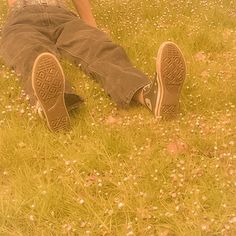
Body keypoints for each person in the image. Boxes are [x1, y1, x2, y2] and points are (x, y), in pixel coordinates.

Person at [0, 0, 186, 132]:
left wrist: (92, 28)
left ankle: (148, 94)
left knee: (99, 48)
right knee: (31, 53)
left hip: (64, 17)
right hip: (21, 18)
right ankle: (54, 105)